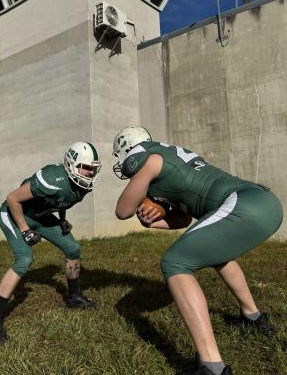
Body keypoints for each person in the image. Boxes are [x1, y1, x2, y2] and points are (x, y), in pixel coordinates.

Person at [113, 126, 283, 375]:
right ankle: (254, 317)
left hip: (242, 204)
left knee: (175, 262)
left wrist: (141, 199)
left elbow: (122, 210)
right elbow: (182, 220)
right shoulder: (167, 159)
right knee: (218, 256)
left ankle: (212, 366)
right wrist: (153, 217)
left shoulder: (149, 160)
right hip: (261, 203)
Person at [0, 141, 101, 344]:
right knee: (24, 259)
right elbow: (12, 199)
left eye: (93, 169)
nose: (90, 173)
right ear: (71, 164)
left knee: (73, 248)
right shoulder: (51, 178)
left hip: (40, 216)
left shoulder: (81, 186)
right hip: (14, 214)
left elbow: (62, 201)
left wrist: (62, 219)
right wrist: (24, 230)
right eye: (86, 168)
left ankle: (73, 296)